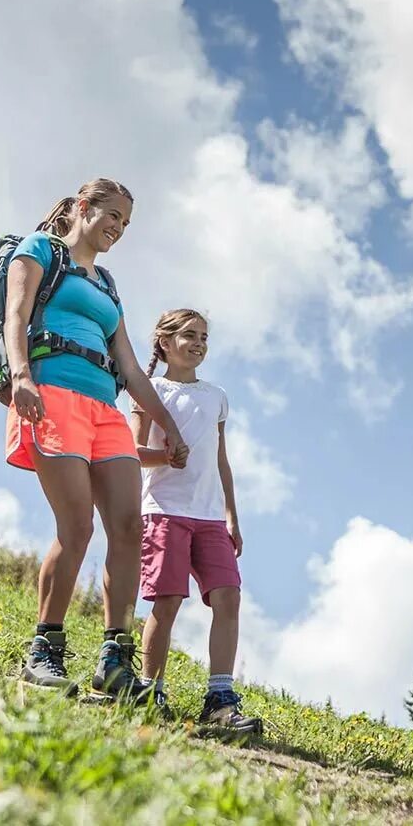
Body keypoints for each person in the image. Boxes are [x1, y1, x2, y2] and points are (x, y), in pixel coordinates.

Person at [6, 178, 190, 701]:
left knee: (129, 527)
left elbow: (130, 366)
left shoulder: (107, 284)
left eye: (126, 223)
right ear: (83, 208)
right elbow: (15, 314)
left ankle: (115, 657)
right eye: (112, 216)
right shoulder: (41, 250)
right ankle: (44, 648)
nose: (118, 228)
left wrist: (168, 426)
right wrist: (21, 376)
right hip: (51, 393)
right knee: (77, 526)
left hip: (104, 408)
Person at [135, 309, 262, 734]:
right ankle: (151, 691)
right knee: (167, 602)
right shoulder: (149, 390)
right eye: (189, 335)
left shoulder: (217, 396)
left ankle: (220, 699)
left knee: (229, 597)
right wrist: (166, 456)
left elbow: (221, 460)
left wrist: (231, 515)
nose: (199, 343)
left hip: (210, 517)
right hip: (165, 510)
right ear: (165, 342)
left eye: (204, 337)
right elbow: (133, 451)